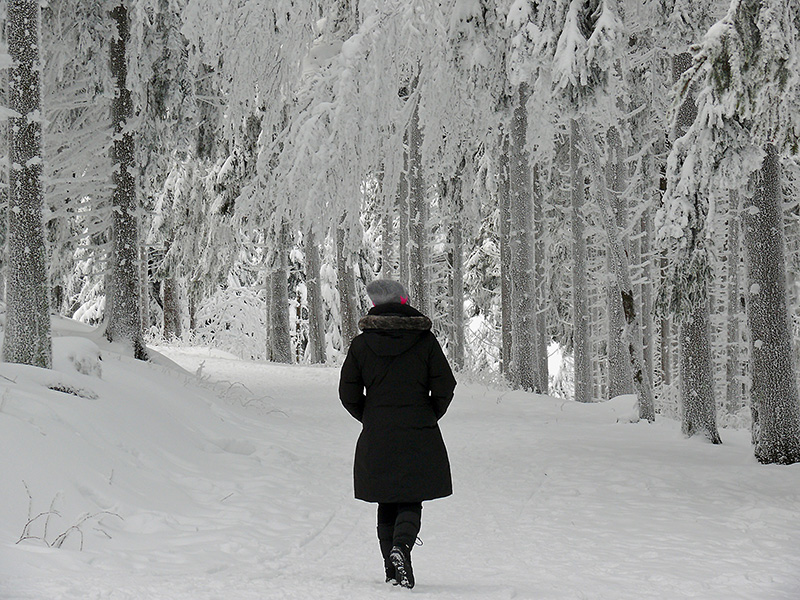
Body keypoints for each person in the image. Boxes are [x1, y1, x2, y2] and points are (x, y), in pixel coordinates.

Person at [339, 279, 457, 589]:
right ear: (404, 301)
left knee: (385, 499)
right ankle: (401, 548)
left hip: (378, 431)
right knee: (410, 497)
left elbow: (347, 392)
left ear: (376, 305)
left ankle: (391, 570)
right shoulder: (424, 341)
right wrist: (430, 413)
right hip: (418, 429)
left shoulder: (361, 345)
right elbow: (445, 385)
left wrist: (369, 416)